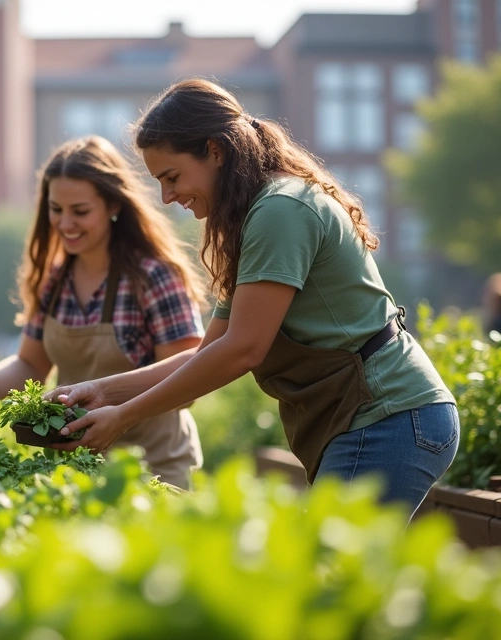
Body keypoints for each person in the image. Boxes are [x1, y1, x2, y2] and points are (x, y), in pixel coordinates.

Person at [50, 80, 458, 518]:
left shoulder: (281, 210)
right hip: (370, 419)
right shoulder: (254, 217)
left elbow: (244, 349)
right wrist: (100, 392)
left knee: (328, 577)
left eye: (172, 177)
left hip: (388, 416)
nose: (168, 197)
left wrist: (124, 416)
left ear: (215, 151)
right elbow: (209, 352)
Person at [0, 136, 207, 488]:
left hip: (154, 471)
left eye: (80, 211)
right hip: (78, 473)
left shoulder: (153, 277)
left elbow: (189, 370)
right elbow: (31, 365)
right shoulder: (53, 280)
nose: (65, 224)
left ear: (113, 205)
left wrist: (107, 395)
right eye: (56, 209)